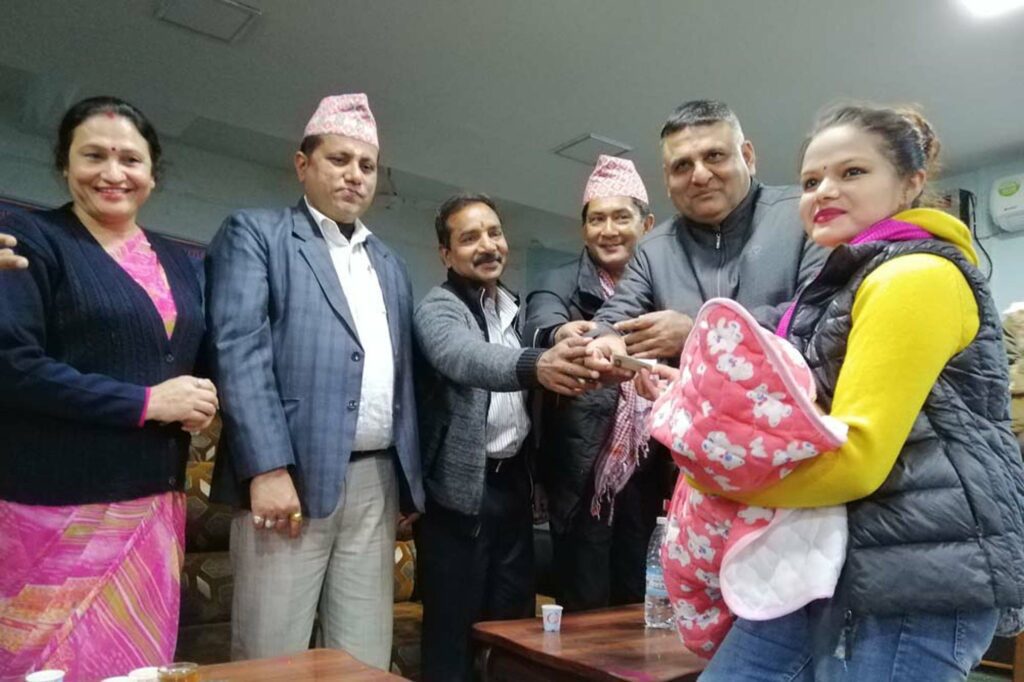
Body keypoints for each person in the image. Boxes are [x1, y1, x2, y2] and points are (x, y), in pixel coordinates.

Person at [641, 104, 1024, 680]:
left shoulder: (912, 277)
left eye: (852, 173)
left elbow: (857, 461)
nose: (824, 191)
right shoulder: (850, 282)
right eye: (811, 181)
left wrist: (712, 473)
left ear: (911, 182)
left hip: (912, 579)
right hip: (832, 559)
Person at [0, 96, 215, 679]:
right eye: (93, 155)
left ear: (153, 173)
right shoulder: (28, 237)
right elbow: (13, 367)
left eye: (130, 159)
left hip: (152, 503)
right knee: (43, 667)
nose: (113, 173)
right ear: (65, 164)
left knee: (137, 668)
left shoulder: (176, 259)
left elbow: (183, 355)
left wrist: (200, 398)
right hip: (55, 502)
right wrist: (148, 402)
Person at [205, 93, 423, 669]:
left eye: (367, 165)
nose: (355, 175)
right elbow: (238, 350)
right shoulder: (257, 234)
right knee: (270, 657)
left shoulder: (390, 263)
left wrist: (408, 482)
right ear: (303, 165)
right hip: (290, 479)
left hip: (376, 481)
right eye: (339, 159)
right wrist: (267, 467)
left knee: (363, 658)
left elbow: (403, 376)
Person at [414, 193, 599, 682]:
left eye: (494, 233)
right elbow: (465, 357)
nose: (487, 245)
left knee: (512, 631)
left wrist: (558, 340)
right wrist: (538, 364)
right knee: (453, 637)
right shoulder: (438, 308)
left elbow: (538, 342)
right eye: (470, 238)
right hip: (458, 498)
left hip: (513, 489)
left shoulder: (514, 309)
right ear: (445, 253)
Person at [586, 99, 826, 368]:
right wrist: (603, 341)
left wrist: (701, 332)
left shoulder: (806, 214)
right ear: (667, 180)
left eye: (714, 156)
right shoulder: (653, 251)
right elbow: (615, 317)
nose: (699, 176)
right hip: (688, 397)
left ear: (748, 157)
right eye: (682, 166)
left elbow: (818, 313)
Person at [523, 155, 661, 611]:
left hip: (648, 472)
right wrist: (561, 334)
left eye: (621, 217)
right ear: (583, 230)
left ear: (647, 225)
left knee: (640, 603)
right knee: (584, 608)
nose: (608, 230)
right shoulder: (559, 280)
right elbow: (541, 322)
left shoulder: (663, 287)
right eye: (596, 219)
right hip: (581, 475)